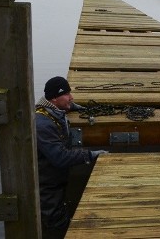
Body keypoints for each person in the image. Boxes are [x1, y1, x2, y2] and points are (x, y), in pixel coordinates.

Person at [35, 76, 107, 237]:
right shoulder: (42, 125)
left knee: (62, 216)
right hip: (47, 189)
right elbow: (59, 157)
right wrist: (90, 155)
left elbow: (63, 108)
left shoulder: (51, 109)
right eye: (67, 94)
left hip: (57, 182)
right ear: (54, 97)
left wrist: (73, 106)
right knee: (57, 226)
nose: (71, 97)